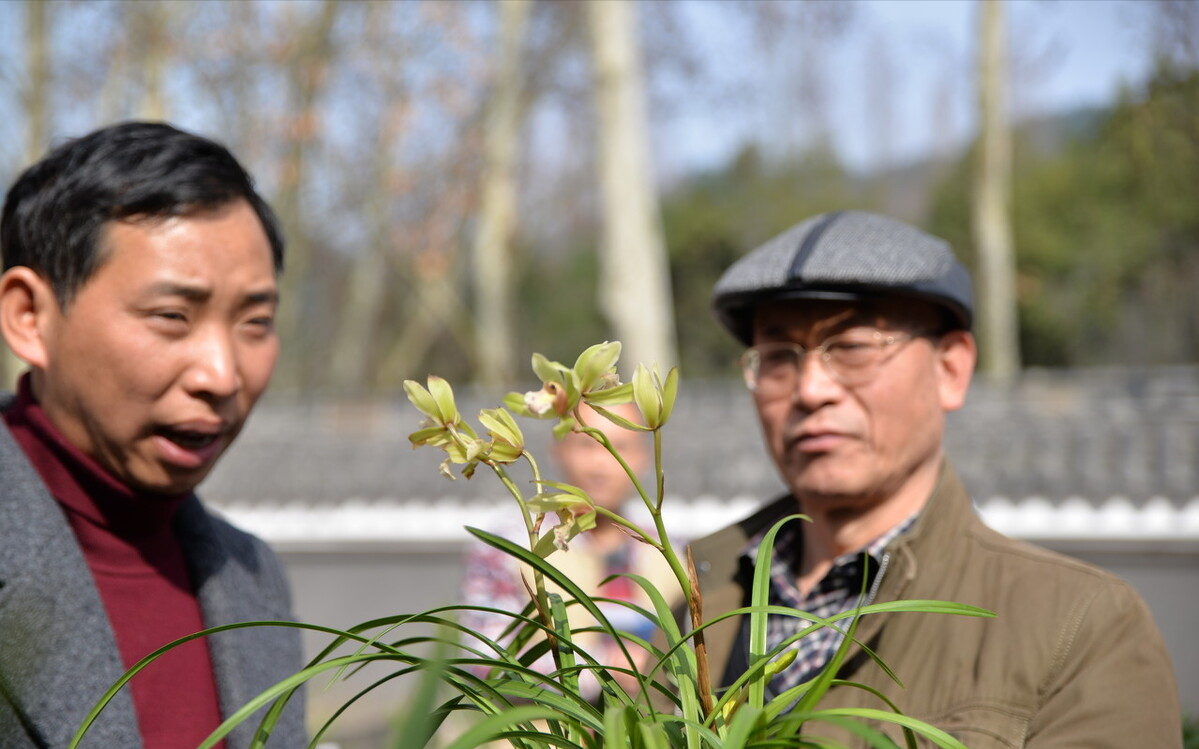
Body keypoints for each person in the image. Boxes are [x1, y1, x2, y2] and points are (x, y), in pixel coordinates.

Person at [692, 210, 1182, 747]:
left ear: (951, 369)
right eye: (780, 356)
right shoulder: (700, 599)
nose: (811, 390)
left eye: (852, 348)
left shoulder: (1080, 629)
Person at [0, 122, 305, 748]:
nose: (222, 375)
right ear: (30, 317)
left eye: (256, 322)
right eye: (172, 317)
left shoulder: (254, 580)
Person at [460, 403, 678, 697]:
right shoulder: (513, 544)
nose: (601, 465)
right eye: (586, 445)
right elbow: (485, 658)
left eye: (619, 447)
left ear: (643, 456)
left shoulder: (667, 553)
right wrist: (605, 670)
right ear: (557, 449)